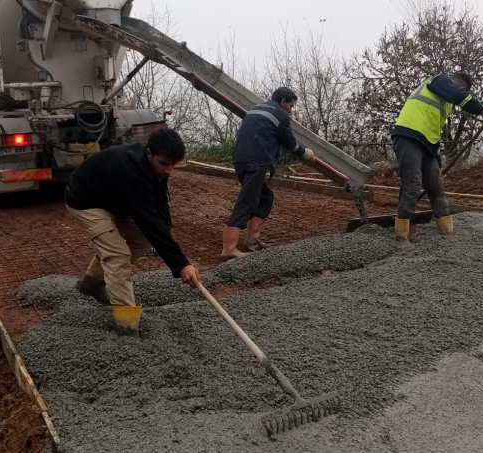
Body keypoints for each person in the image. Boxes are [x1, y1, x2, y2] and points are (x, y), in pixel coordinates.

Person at [64, 129, 202, 334]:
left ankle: (92, 283)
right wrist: (180, 264)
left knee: (144, 241)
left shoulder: (157, 168)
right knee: (117, 255)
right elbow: (148, 220)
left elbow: (158, 207)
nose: (168, 170)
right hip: (85, 201)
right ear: (149, 153)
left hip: (115, 200)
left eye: (172, 165)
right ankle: (127, 326)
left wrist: (169, 238)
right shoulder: (130, 170)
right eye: (164, 163)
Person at [392, 72, 483, 240]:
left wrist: (437, 160)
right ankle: (401, 235)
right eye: (461, 89)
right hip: (408, 135)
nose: (460, 91)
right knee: (412, 183)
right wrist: (482, 110)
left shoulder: (447, 101)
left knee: (436, 186)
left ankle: (447, 233)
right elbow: (458, 95)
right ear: (457, 84)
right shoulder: (439, 81)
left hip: (427, 143)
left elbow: (433, 127)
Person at [221, 86, 317, 259]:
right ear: (283, 102)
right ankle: (229, 249)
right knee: (247, 201)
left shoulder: (255, 109)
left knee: (265, 198)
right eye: (291, 105)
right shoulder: (280, 115)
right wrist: (305, 153)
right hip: (256, 162)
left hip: (240, 159)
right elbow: (290, 143)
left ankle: (252, 240)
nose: (291, 109)